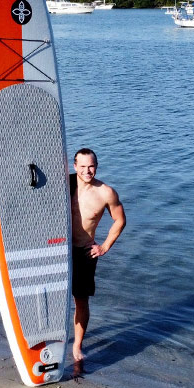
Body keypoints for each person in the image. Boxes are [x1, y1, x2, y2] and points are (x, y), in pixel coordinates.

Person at [69, 147, 125, 365]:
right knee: (51, 294)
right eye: (82, 166)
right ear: (75, 166)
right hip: (59, 247)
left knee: (80, 301)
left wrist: (104, 246)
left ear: (97, 166)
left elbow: (120, 220)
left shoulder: (105, 193)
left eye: (91, 166)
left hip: (84, 252)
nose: (87, 171)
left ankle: (77, 346)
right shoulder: (65, 183)